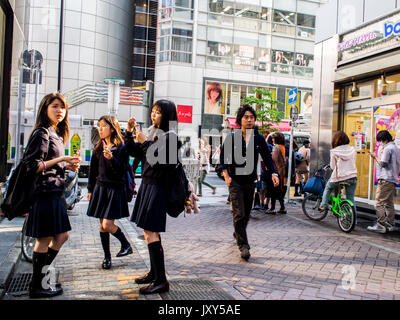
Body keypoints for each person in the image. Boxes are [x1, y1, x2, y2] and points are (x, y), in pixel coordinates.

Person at [24, 93, 81, 298]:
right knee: (45, 239)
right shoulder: (41, 133)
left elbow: (49, 164)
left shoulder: (54, 133)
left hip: (55, 192)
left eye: (63, 107)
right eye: (55, 106)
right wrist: (62, 159)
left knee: (62, 236)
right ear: (45, 108)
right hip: (45, 192)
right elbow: (31, 166)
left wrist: (66, 164)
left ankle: (39, 281)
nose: (60, 111)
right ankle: (37, 286)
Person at [125, 99, 181, 294]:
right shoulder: (152, 132)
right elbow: (135, 153)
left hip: (158, 188)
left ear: (167, 115)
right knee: (149, 233)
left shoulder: (171, 137)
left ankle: (161, 280)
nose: (153, 115)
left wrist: (145, 142)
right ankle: (154, 274)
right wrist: (129, 132)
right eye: (153, 111)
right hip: (148, 186)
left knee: (151, 232)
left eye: (158, 112)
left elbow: (161, 164)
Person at [219, 105, 279, 260]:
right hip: (235, 181)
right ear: (240, 120)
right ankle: (244, 246)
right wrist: (226, 176)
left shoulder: (258, 139)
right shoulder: (233, 137)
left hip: (250, 180)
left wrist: (273, 173)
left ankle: (238, 233)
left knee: (246, 213)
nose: (249, 120)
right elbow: (223, 159)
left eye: (252, 117)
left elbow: (267, 158)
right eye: (246, 117)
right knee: (239, 213)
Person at [86, 116, 133, 270]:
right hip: (100, 188)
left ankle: (126, 244)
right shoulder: (98, 147)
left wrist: (112, 158)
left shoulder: (121, 148)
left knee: (107, 224)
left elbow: (122, 170)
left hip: (114, 189)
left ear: (112, 128)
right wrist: (90, 189)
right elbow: (92, 171)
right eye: (99, 126)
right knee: (101, 226)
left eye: (103, 126)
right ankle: (107, 257)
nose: (100, 129)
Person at [367, 130, 400, 233]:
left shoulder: (387, 149)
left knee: (378, 202)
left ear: (384, 139)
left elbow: (383, 163)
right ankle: (390, 224)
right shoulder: (396, 148)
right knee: (389, 203)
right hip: (393, 178)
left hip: (385, 178)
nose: (380, 142)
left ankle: (381, 224)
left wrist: (375, 157)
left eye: (380, 140)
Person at [319, 131, 357, 216]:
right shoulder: (352, 149)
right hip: (352, 177)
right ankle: (353, 221)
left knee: (328, 188)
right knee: (351, 199)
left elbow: (332, 166)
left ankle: (323, 205)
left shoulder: (334, 151)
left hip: (339, 177)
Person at [267, 132, 287, 214]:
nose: (272, 140)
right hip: (282, 171)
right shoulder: (283, 147)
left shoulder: (276, 147)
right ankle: (282, 207)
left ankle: (272, 208)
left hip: (276, 171)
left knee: (273, 191)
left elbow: (273, 160)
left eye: (273, 138)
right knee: (279, 191)